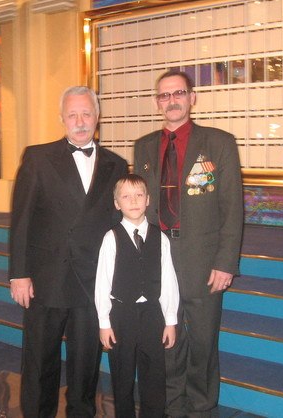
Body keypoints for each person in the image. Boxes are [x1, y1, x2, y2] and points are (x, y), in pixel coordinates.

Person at [8, 86, 128, 417]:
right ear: (62, 118)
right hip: (46, 278)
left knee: (85, 367)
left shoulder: (117, 165)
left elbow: (119, 226)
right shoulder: (38, 158)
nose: (80, 121)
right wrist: (19, 273)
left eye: (86, 113)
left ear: (97, 117)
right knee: (39, 363)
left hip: (92, 281)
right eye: (73, 115)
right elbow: (21, 219)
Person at [133, 70, 244, 417]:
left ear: (192, 97)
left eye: (178, 93)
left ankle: (201, 404)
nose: (172, 101)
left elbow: (232, 207)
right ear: (157, 102)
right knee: (167, 335)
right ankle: (171, 403)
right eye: (164, 95)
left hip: (203, 258)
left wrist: (225, 263)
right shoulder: (143, 146)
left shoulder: (219, 143)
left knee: (203, 339)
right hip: (158, 257)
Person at [95, 174, 179, 418]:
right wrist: (104, 323)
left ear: (148, 199)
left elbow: (168, 280)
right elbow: (102, 282)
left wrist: (170, 320)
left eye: (139, 195)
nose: (133, 201)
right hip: (122, 315)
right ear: (116, 203)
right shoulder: (111, 238)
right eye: (126, 196)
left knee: (154, 376)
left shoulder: (160, 237)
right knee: (122, 377)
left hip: (152, 315)